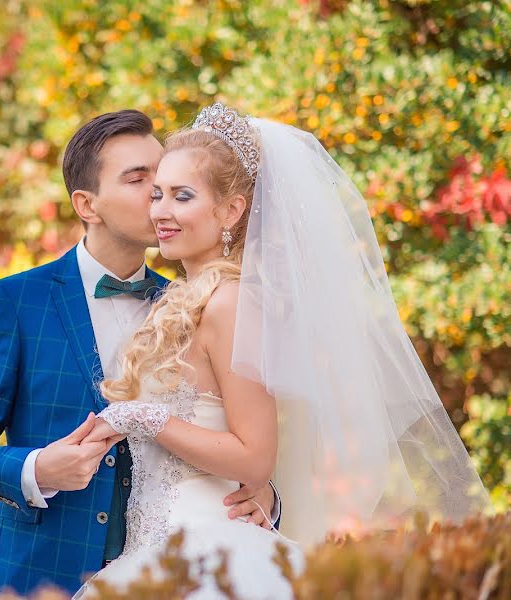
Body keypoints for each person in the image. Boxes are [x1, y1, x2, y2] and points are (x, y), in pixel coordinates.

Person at [75, 102, 490, 599]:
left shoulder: (231, 303)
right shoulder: (180, 301)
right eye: (157, 194)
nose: (161, 210)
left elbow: (254, 456)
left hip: (212, 551)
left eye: (182, 196)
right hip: (152, 549)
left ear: (231, 211)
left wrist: (140, 416)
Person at [0, 109, 279, 597]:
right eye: (140, 180)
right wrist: (36, 469)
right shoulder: (15, 302)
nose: (158, 195)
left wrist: (262, 496)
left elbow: (244, 433)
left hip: (180, 573)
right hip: (43, 574)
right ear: (87, 205)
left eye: (163, 178)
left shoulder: (193, 302)